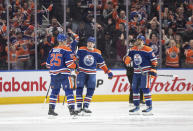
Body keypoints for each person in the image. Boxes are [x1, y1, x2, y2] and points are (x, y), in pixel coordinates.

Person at [75, 36, 113, 114]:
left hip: (92, 73)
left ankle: (86, 106)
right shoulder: (81, 49)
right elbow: (75, 60)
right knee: (79, 88)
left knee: (91, 89)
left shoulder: (97, 52)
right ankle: (79, 107)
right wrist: (75, 66)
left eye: (92, 43)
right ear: (87, 43)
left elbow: (101, 64)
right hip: (81, 72)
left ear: (94, 44)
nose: (90, 44)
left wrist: (107, 71)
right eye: (89, 42)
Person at [123, 35, 158, 113]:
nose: (138, 41)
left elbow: (154, 61)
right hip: (136, 72)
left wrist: (153, 70)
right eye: (137, 40)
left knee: (145, 89)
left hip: (145, 73)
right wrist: (126, 59)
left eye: (140, 40)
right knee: (135, 88)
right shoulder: (132, 50)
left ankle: (149, 106)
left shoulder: (148, 50)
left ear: (143, 41)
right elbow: (126, 57)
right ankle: (136, 106)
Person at [46, 33, 78, 116]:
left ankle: (51, 109)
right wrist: (76, 65)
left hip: (53, 74)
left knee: (54, 91)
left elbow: (48, 65)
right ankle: (71, 109)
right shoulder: (67, 50)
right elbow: (69, 64)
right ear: (64, 40)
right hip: (64, 74)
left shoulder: (52, 50)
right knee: (69, 91)